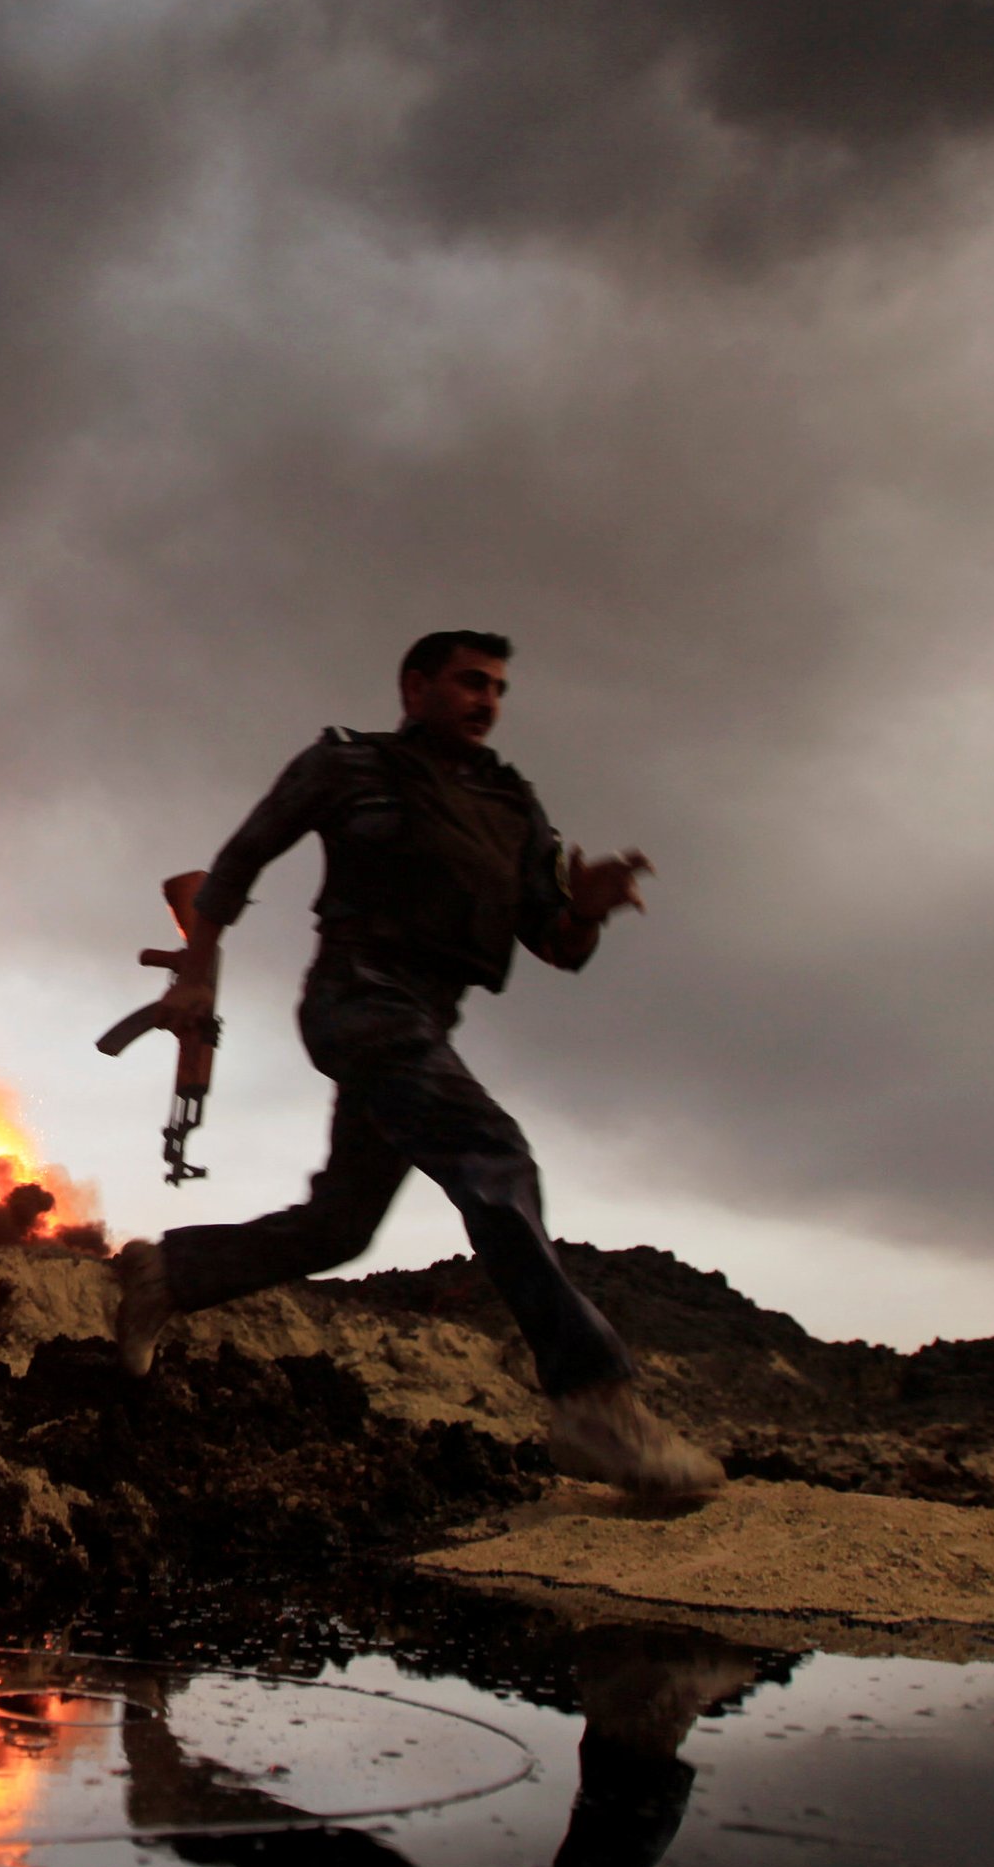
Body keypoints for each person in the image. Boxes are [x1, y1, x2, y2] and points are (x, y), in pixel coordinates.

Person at [110, 629, 722, 1498]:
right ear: (414, 686)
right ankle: (592, 1402)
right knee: (493, 1157)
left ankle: (167, 1273)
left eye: (498, 688)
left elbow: (552, 939)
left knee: (341, 1227)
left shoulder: (512, 805)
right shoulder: (346, 766)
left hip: (423, 1019)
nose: (487, 701)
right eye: (470, 682)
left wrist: (585, 909)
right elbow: (237, 863)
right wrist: (198, 975)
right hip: (357, 997)